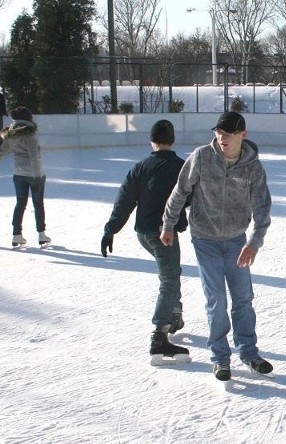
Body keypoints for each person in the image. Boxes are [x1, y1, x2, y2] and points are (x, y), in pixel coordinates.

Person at [161, 111, 273, 382]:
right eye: (219, 133)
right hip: (205, 239)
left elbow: (263, 208)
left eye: (229, 133)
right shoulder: (201, 157)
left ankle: (249, 353)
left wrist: (253, 243)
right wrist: (168, 224)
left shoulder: (252, 167)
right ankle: (221, 358)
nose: (222, 138)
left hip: (236, 240)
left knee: (243, 299)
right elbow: (180, 191)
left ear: (242, 135)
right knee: (216, 300)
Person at [101, 120, 191, 365]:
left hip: (144, 234)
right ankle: (160, 334)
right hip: (164, 233)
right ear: (172, 140)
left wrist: (110, 230)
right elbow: (196, 198)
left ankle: (175, 314)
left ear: (152, 141)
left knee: (171, 271)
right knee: (169, 278)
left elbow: (124, 201)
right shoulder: (182, 168)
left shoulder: (141, 167)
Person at [0, 106, 51, 248]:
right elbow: (34, 157)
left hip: (18, 174)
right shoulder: (30, 136)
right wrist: (37, 175)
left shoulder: (11, 136)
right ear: (28, 119)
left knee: (20, 204)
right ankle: (41, 234)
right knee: (38, 204)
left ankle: (16, 235)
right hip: (34, 174)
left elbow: (1, 151)